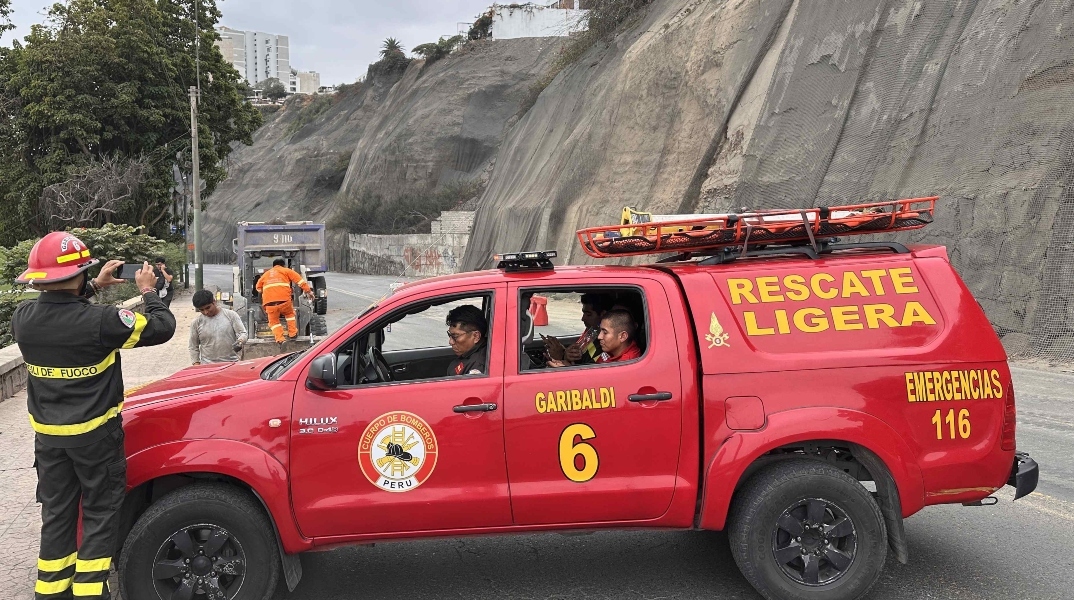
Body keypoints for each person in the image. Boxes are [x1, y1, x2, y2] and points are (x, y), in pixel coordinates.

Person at [11, 232, 176, 600]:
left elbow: (60, 312)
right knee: (100, 512)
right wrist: (150, 292)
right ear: (83, 272)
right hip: (96, 439)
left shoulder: (22, 319)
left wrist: (92, 288)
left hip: (49, 440)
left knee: (57, 514)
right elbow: (163, 328)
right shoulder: (103, 321)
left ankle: (50, 592)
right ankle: (89, 592)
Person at [254, 258, 313, 345]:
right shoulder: (286, 271)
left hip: (269, 304)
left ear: (273, 266)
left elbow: (258, 288)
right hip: (284, 302)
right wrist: (309, 292)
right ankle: (292, 334)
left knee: (274, 322)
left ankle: (280, 339)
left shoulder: (265, 274)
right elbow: (300, 281)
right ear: (283, 265)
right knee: (290, 315)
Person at [545, 292, 610, 368]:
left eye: (588, 314)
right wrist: (566, 354)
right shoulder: (590, 332)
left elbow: (588, 373)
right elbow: (578, 360)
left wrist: (559, 358)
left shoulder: (606, 345)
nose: (583, 318)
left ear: (603, 315)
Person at [189, 290, 248, 364]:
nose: (206, 312)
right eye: (202, 310)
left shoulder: (231, 315)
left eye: (208, 308)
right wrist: (196, 364)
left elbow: (243, 333)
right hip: (208, 366)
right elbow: (193, 346)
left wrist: (240, 341)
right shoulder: (196, 323)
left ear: (214, 301)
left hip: (231, 363)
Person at [446, 304, 488, 375]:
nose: (450, 342)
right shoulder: (468, 354)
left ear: (476, 336)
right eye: (450, 335)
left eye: (455, 336)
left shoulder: (477, 368)